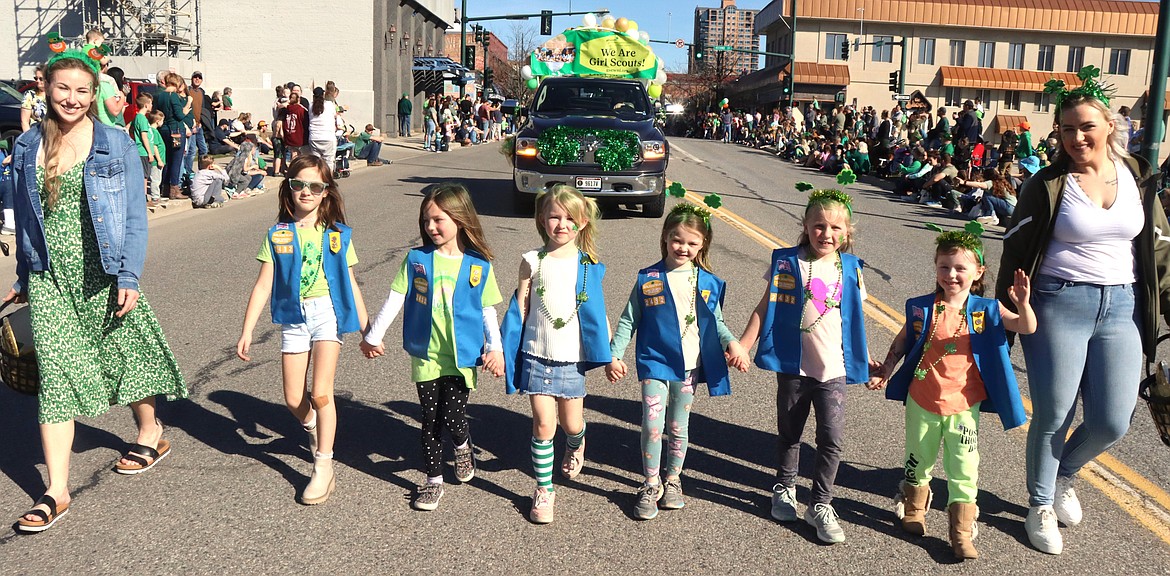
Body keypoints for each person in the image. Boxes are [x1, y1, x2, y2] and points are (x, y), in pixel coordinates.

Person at [9, 49, 187, 534]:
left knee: (122, 353)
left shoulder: (114, 143)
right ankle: (57, 490)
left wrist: (128, 275)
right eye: (63, 88)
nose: (72, 98)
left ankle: (150, 430)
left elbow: (132, 214)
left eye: (82, 90)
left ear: (94, 94)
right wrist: (25, 274)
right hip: (50, 276)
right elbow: (26, 215)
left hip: (103, 270)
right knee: (57, 375)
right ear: (46, 87)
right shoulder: (27, 145)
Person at [996, 68, 1170, 555]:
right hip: (1057, 300)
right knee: (1054, 412)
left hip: (1122, 305)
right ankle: (1040, 503)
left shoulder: (1136, 176)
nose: (1076, 137)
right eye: (1067, 129)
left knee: (1115, 420)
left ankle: (1066, 473)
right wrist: (1004, 323)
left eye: (1085, 127)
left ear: (1109, 126)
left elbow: (1159, 251)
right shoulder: (1047, 183)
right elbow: (1014, 253)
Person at [872, 224, 1034, 560]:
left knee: (964, 468)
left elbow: (1026, 326)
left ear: (978, 272)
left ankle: (961, 531)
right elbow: (902, 340)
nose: (952, 274)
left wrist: (1023, 303)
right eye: (944, 267)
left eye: (961, 268)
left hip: (963, 407)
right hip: (922, 400)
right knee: (918, 460)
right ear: (936, 268)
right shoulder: (921, 308)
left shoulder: (986, 310)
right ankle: (914, 509)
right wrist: (887, 368)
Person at [738, 188, 876, 545]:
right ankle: (784, 487)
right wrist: (744, 344)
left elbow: (855, 320)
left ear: (847, 233)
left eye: (834, 228)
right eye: (818, 225)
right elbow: (764, 308)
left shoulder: (852, 269)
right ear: (805, 225)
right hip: (794, 366)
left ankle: (821, 503)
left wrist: (867, 358)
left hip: (834, 369)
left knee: (831, 439)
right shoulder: (787, 262)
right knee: (790, 432)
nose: (826, 234)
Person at [359, 183, 504, 511]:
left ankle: (463, 443)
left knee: (453, 417)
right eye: (426, 220)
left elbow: (487, 311)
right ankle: (433, 481)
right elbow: (396, 298)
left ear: (460, 219)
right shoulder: (417, 260)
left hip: (462, 355)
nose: (431, 227)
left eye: (438, 219)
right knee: (430, 418)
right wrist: (373, 335)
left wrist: (495, 348)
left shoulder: (478, 266)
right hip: (426, 354)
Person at [605, 200, 750, 520]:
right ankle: (650, 483)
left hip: (689, 367)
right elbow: (629, 319)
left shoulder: (707, 282)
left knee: (678, 426)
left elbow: (717, 322)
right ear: (665, 238)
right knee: (652, 425)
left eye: (692, 242)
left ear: (703, 245)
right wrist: (614, 354)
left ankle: (673, 480)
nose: (683, 247)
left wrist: (735, 344)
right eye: (676, 239)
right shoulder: (649, 277)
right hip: (655, 363)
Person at [237, 154, 368, 505]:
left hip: (327, 312)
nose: (306, 191)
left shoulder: (337, 234)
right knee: (294, 398)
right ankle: (313, 426)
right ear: (289, 188)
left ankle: (323, 467)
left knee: (321, 392)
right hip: (294, 317)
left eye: (314, 186)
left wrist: (369, 329)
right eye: (299, 185)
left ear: (326, 191)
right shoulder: (279, 234)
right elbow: (263, 285)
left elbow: (352, 283)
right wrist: (247, 329)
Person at [501, 185, 611, 524]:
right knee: (544, 424)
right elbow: (519, 308)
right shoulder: (531, 260)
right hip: (536, 354)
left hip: (571, 359)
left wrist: (612, 354)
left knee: (570, 423)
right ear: (541, 220)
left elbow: (597, 311)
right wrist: (500, 347)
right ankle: (544, 489)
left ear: (582, 223)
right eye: (554, 217)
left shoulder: (587, 264)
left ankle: (577, 442)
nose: (561, 224)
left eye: (569, 218)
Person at [154, 73, 190, 200]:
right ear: (176, 84)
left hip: (163, 129)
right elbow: (180, 115)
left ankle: (164, 187)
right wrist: (187, 106)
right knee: (176, 159)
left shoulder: (159, 96)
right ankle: (174, 188)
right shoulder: (173, 96)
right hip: (176, 130)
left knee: (167, 158)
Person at [308, 87, 338, 171]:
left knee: (315, 162)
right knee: (328, 162)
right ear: (323, 95)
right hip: (328, 137)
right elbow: (335, 116)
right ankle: (328, 181)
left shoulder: (311, 105)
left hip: (314, 137)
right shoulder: (329, 104)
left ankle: (317, 180)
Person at [282, 87, 309, 167]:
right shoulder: (301, 110)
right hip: (300, 137)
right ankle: (302, 169)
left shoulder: (287, 110)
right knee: (304, 156)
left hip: (290, 136)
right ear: (298, 100)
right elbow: (306, 122)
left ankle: (293, 169)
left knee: (294, 154)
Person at [19, 64, 47, 132]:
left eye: (41, 79)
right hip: (36, 133)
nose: (37, 81)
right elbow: (24, 122)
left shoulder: (55, 94)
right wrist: (29, 138)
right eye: (36, 78)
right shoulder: (30, 95)